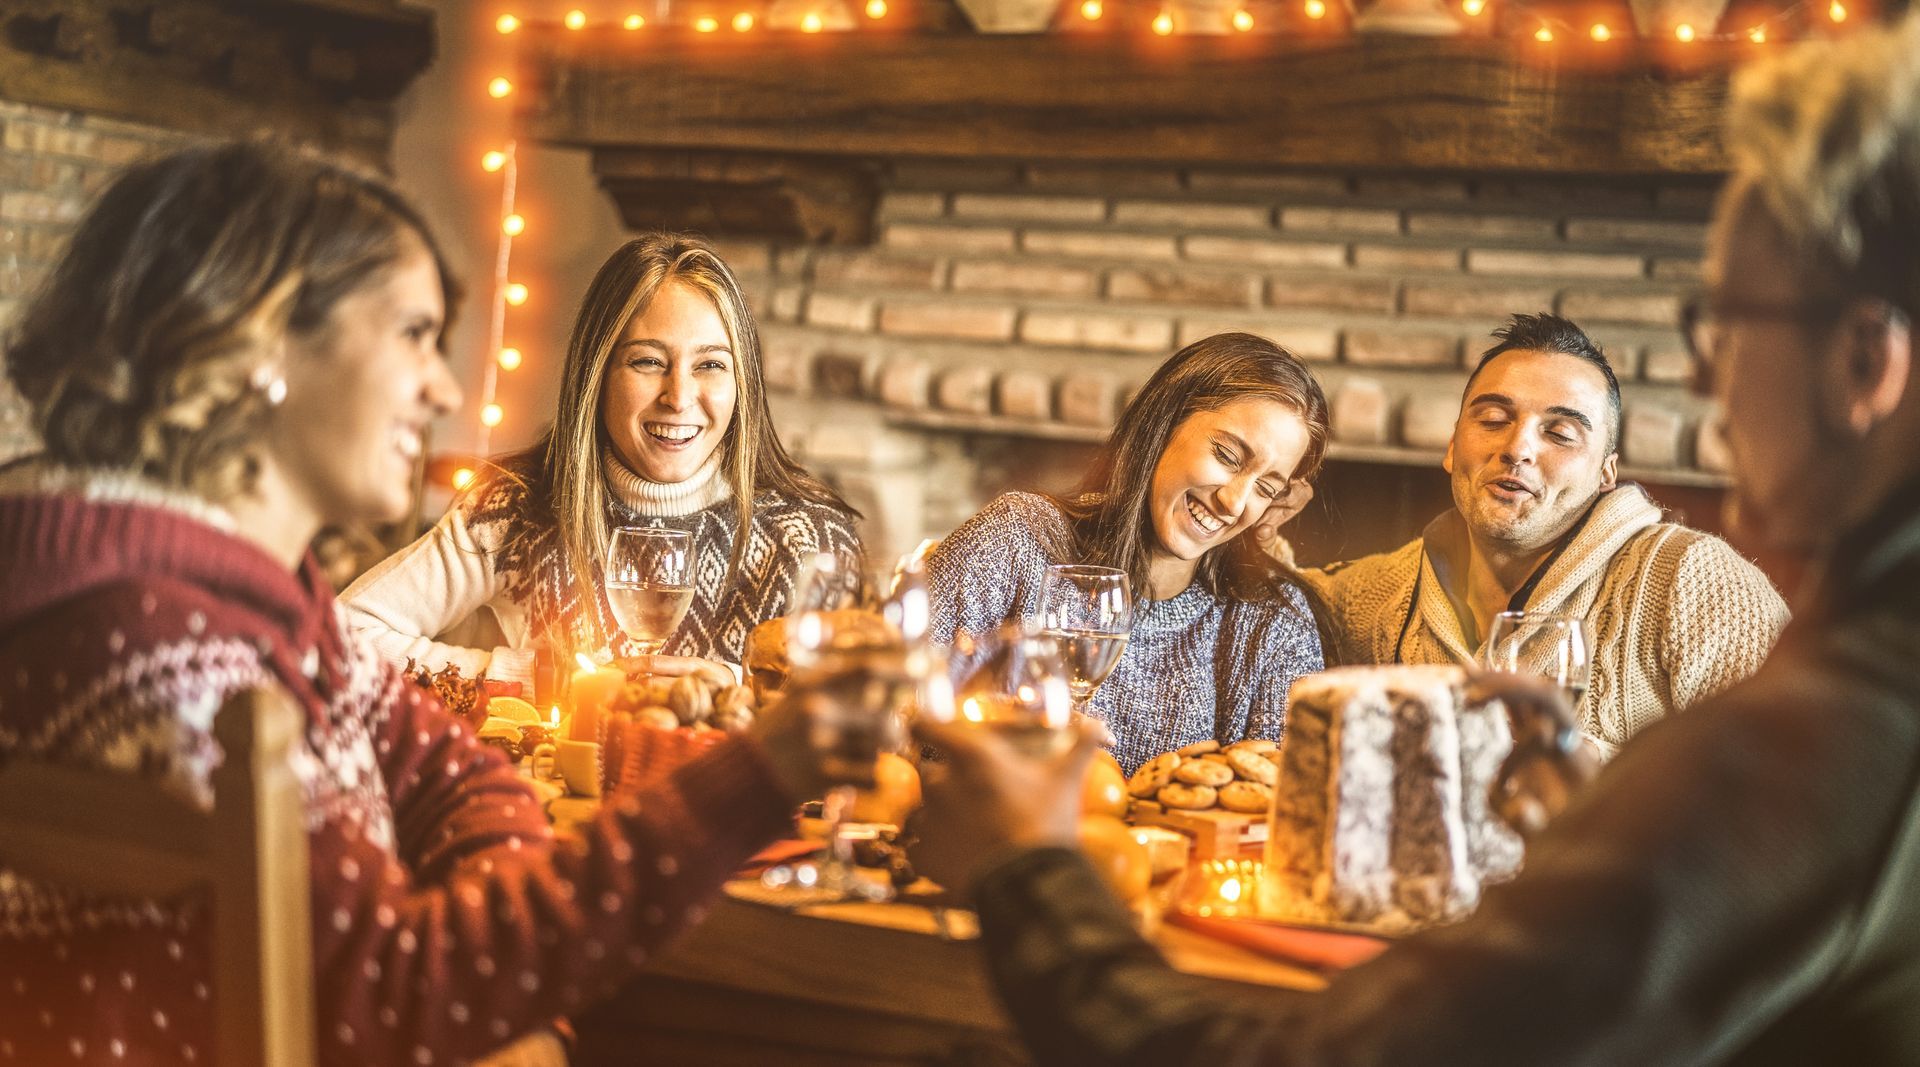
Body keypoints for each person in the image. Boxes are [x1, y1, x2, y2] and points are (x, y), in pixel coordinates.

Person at [910, 13, 1920, 1065]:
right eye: (1491, 414)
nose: (1708, 380)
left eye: (1723, 325)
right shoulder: (1361, 596)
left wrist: (1029, 866)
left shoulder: (1809, 735)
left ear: (1861, 365)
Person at [0, 142, 833, 1067]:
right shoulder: (175, 662)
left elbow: (455, 777)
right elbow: (404, 1001)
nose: (443, 388)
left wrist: (500, 987)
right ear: (262, 350)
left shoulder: (258, 597)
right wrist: (760, 774)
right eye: (412, 335)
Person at [341, 233, 863, 694]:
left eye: (710, 364)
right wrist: (532, 680)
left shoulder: (809, 537)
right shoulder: (515, 508)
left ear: (741, 383)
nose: (679, 396)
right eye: (648, 362)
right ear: (598, 373)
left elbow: (853, 714)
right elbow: (342, 636)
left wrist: (736, 686)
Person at [1277, 312, 1786, 755]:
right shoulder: (1376, 596)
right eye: (1494, 419)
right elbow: (1271, 599)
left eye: (1560, 433)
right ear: (1453, 447)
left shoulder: (1695, 583)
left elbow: (1802, 785)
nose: (1517, 447)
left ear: (1606, 474)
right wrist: (1257, 520)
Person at [924, 333, 1327, 775]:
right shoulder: (1017, 539)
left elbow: (1282, 807)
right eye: (1228, 456)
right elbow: (883, 709)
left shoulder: (1272, 622)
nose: (1234, 502)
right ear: (1164, 422)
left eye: (1266, 488)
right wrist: (996, 751)